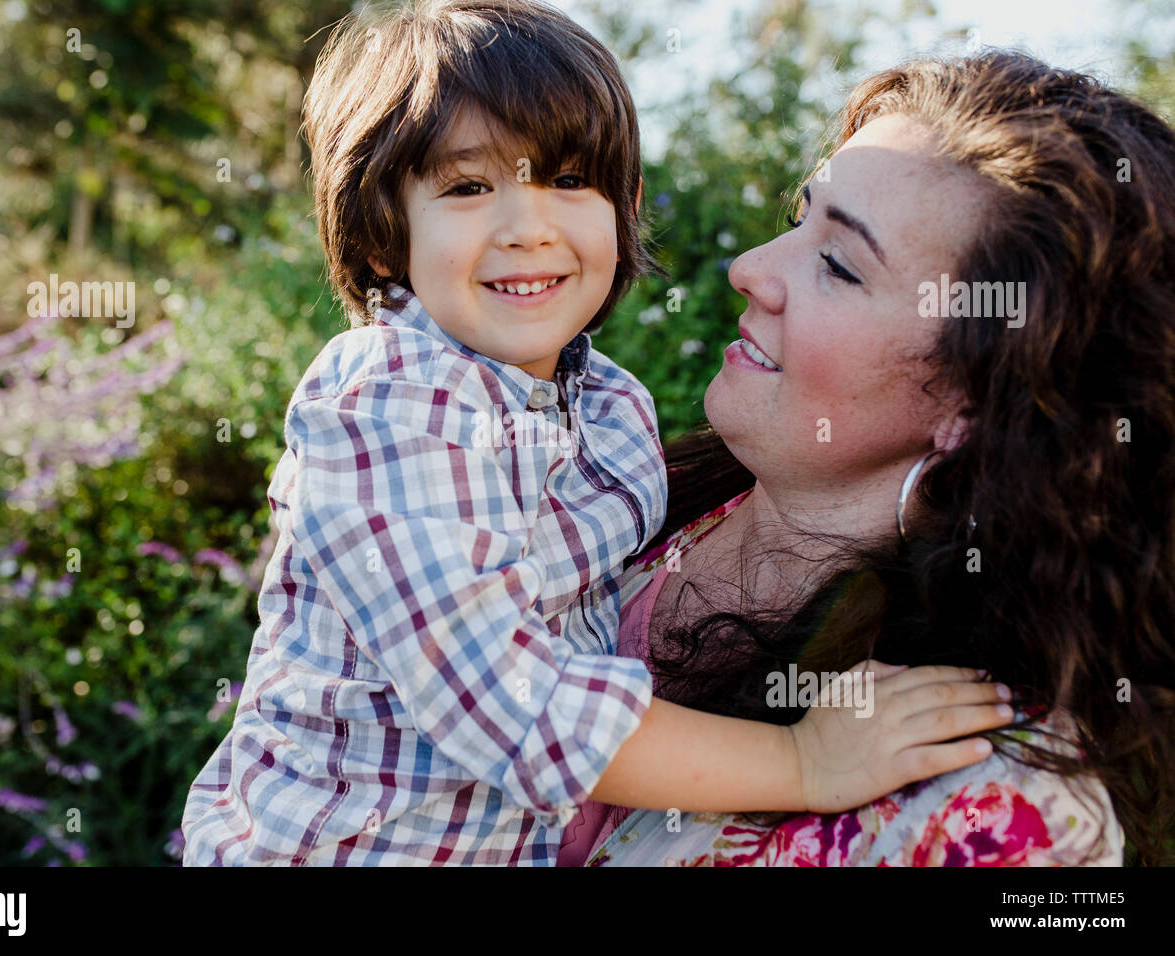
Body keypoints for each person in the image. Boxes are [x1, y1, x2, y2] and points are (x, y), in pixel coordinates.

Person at [181, 0, 1011, 866]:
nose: (529, 226)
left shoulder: (608, 405)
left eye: (570, 180)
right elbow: (512, 700)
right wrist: (802, 760)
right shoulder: (390, 402)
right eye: (468, 187)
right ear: (385, 233)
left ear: (626, 204)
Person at [571, 50, 1175, 866]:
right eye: (801, 215)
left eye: (838, 265)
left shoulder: (992, 814)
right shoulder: (605, 488)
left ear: (984, 403)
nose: (749, 271)